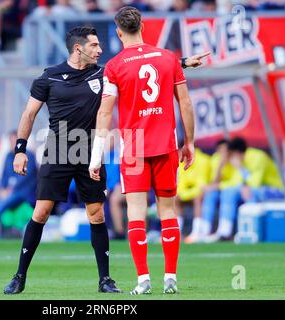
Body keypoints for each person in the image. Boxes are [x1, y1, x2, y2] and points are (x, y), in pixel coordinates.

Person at [89, 6, 209, 295]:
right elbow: (186, 104)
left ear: (118, 32)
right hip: (165, 144)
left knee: (136, 213)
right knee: (168, 211)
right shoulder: (168, 58)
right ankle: (171, 278)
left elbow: (105, 113)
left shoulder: (114, 67)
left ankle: (143, 280)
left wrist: (96, 156)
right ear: (142, 25)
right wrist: (189, 142)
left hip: (135, 147)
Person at [3, 26, 121, 295]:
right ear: (78, 49)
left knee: (96, 213)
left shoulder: (103, 73)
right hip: (58, 149)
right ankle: (19, 276)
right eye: (94, 46)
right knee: (42, 212)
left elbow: (138, 71)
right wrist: (20, 150)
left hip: (90, 150)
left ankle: (105, 280)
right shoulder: (49, 77)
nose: (100, 50)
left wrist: (182, 63)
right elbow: (29, 114)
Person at [204, 137, 285, 242]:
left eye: (231, 155)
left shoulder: (258, 157)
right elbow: (235, 183)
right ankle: (224, 232)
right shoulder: (236, 160)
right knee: (229, 192)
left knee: (249, 192)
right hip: (253, 189)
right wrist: (220, 185)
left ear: (236, 153)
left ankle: (252, 231)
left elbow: (255, 184)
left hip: (274, 190)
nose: (230, 158)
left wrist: (241, 168)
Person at [175, 147, 211, 240]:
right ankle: (177, 232)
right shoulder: (181, 161)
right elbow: (180, 183)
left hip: (202, 192)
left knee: (197, 198)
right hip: (189, 192)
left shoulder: (203, 160)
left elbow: (201, 185)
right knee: (175, 198)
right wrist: (182, 194)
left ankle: (196, 232)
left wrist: (186, 194)